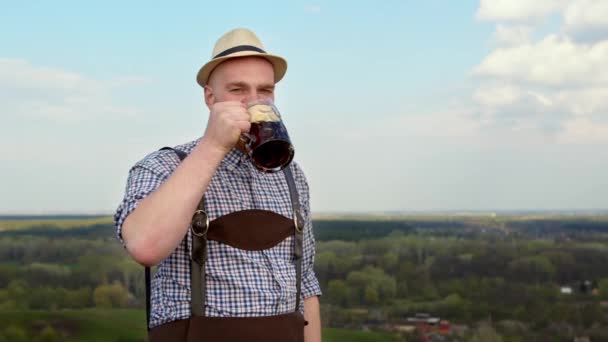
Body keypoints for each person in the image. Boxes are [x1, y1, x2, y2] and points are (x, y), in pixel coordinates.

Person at [113, 28, 322, 341]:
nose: (254, 102)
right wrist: (212, 146)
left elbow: (304, 281)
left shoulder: (291, 175)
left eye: (264, 90)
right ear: (211, 98)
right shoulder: (163, 166)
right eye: (238, 89)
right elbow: (144, 246)